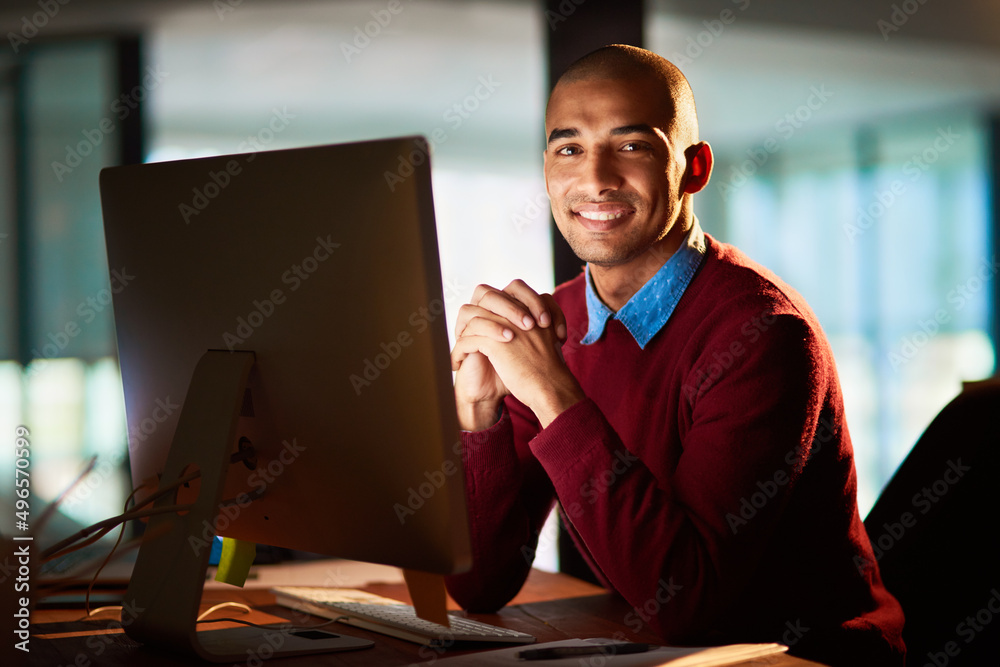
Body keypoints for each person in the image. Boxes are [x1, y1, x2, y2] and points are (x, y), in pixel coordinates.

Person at [444, 44, 905, 666]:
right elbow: (479, 587)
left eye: (632, 145)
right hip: (650, 647)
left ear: (694, 167)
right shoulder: (558, 320)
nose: (596, 178)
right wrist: (478, 419)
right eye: (569, 149)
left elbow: (686, 601)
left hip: (799, 658)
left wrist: (552, 392)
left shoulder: (763, 332)